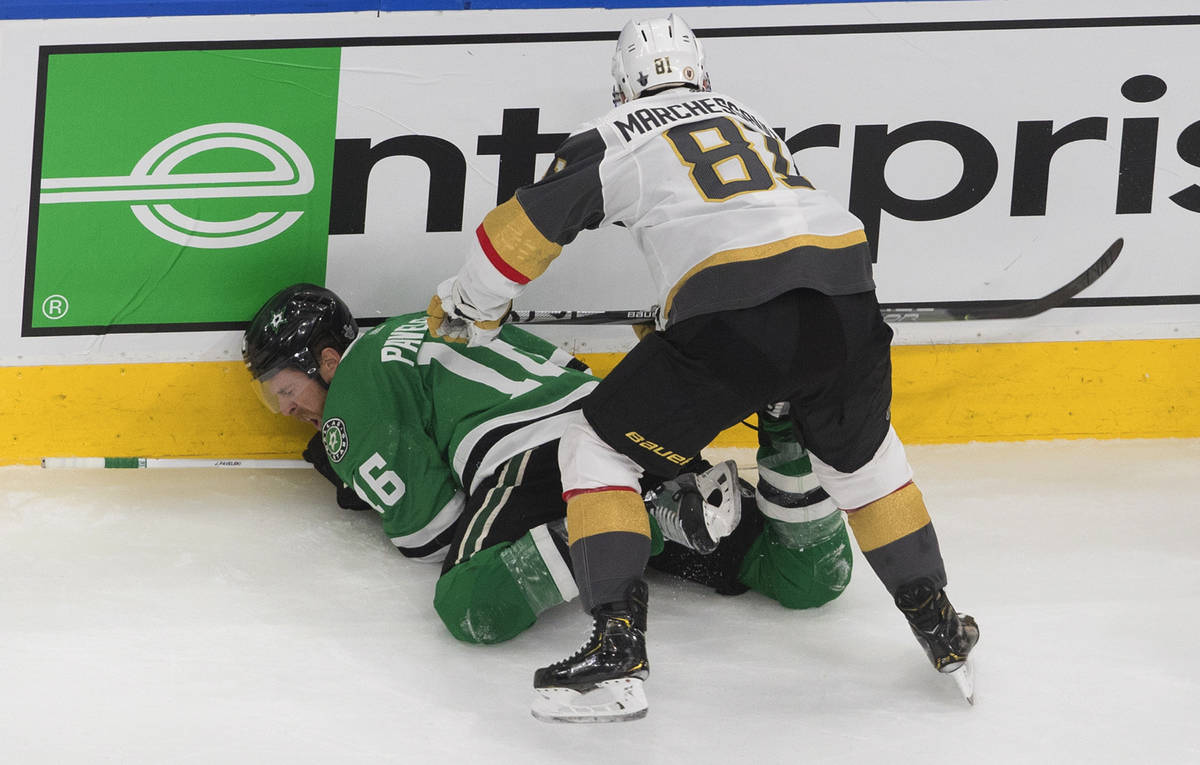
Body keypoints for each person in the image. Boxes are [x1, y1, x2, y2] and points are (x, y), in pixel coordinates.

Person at [426, 14, 978, 721]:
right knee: (865, 464)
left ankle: (616, 644)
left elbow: (522, 232)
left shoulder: (617, 131)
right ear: (703, 76)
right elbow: (752, 228)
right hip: (847, 295)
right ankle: (940, 622)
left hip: (737, 314)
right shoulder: (752, 121)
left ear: (625, 86)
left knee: (595, 447)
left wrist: (470, 303)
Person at [242, 283, 855, 648]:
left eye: (285, 388)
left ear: (325, 359)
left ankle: (646, 522)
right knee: (806, 577)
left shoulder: (352, 387)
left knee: (469, 605)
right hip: (620, 428)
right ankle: (782, 422)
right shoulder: (433, 320)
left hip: (533, 456)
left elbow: (429, 534)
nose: (288, 408)